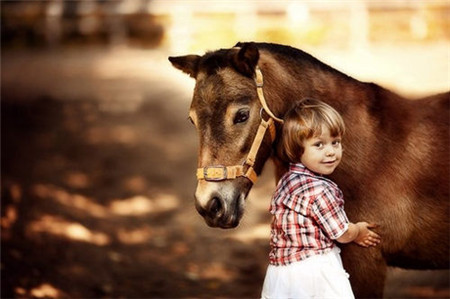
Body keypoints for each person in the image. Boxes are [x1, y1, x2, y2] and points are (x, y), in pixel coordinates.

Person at [261, 99, 381, 299]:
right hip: (314, 271)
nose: (331, 151)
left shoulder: (285, 181)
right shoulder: (320, 190)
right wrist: (358, 230)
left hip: (279, 273)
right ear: (297, 149)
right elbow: (341, 233)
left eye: (336, 142)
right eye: (319, 144)